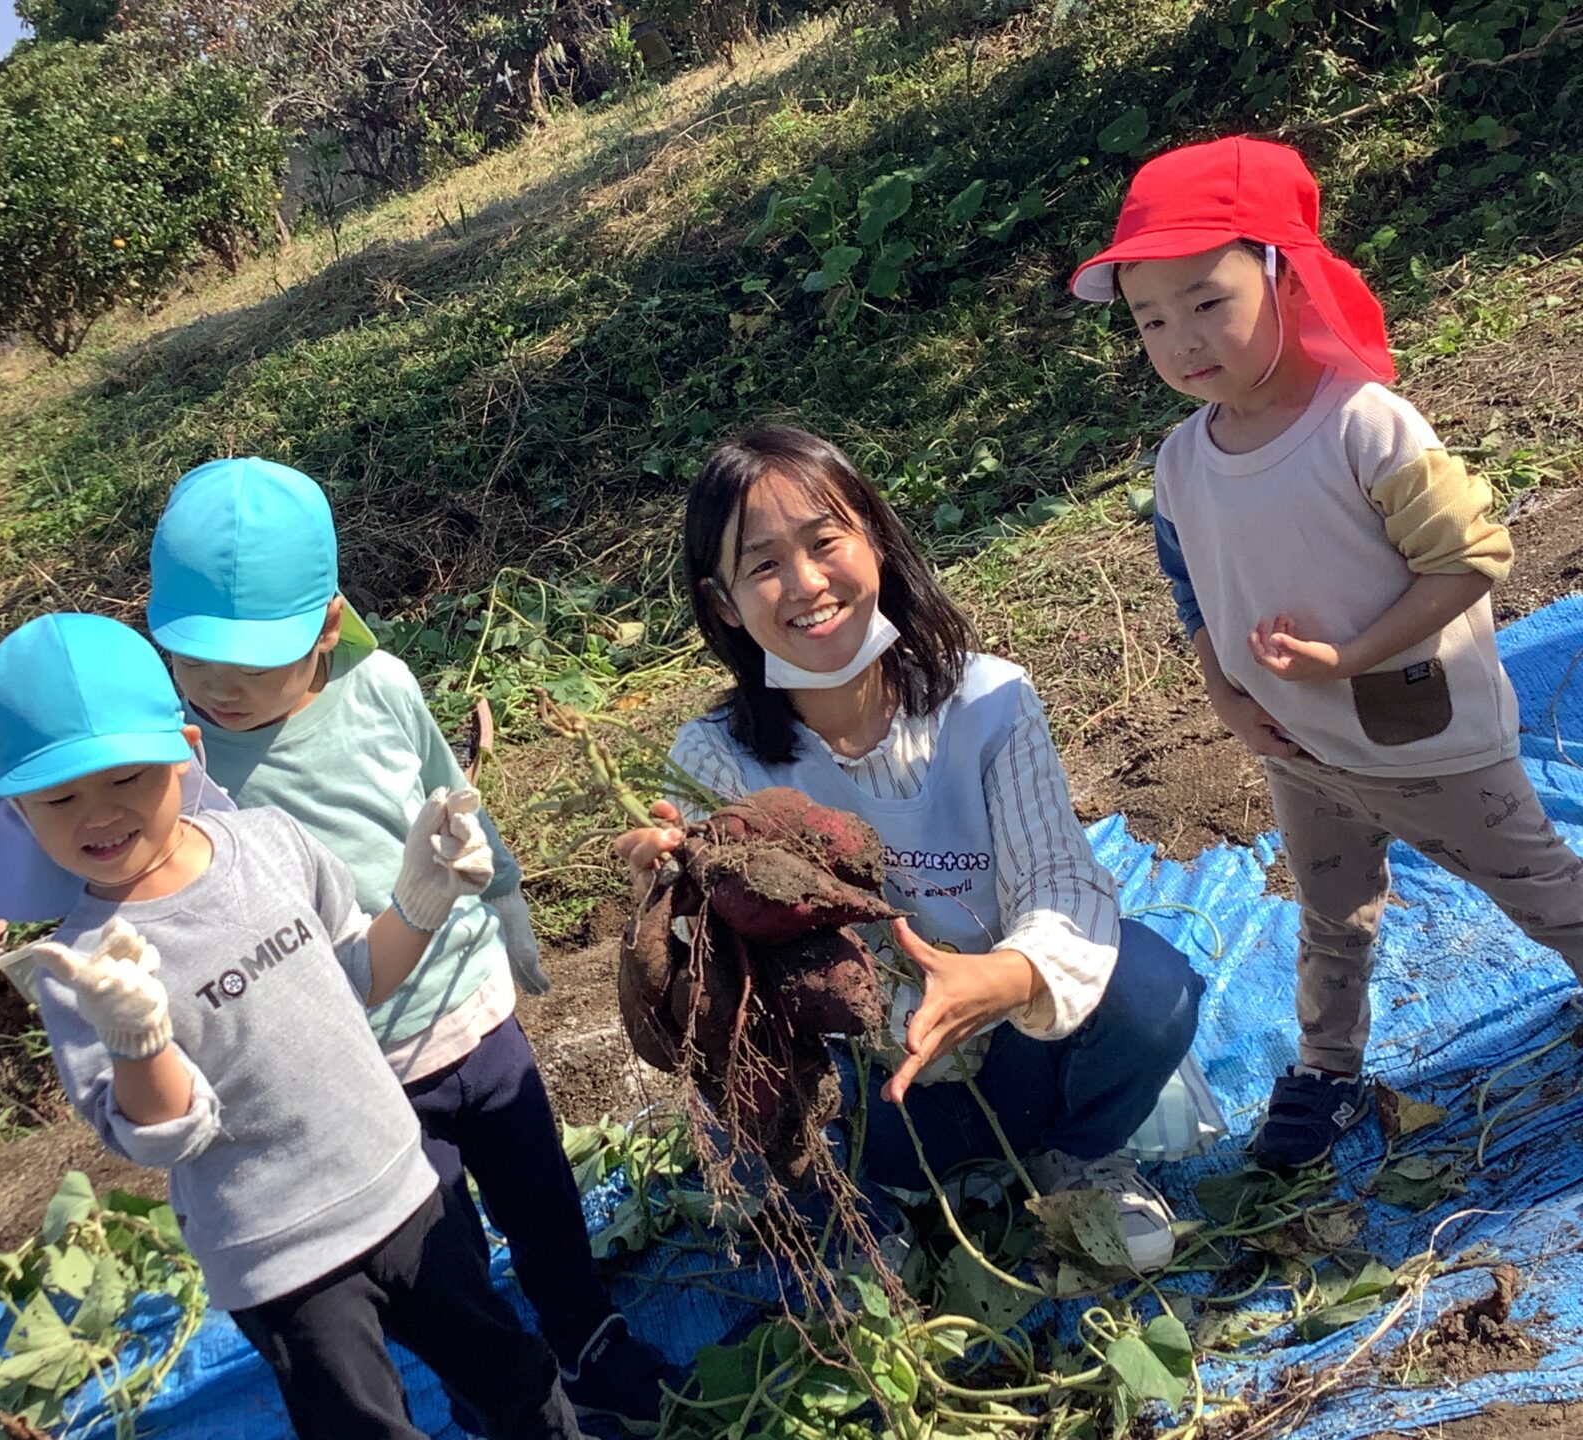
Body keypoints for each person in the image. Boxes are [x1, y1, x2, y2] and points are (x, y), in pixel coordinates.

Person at [1069, 135, 1583, 1170]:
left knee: (1537, 888)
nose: (1181, 339)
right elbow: (1189, 584)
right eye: (1151, 319)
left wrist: (1350, 656)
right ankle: (1328, 1071)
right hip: (1303, 753)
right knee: (1331, 915)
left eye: (1206, 301)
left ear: (1285, 277)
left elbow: (1469, 559)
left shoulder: (1364, 427)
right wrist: (1227, 693)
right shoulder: (1182, 462)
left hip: (1427, 740)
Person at [0, 612, 584, 1440]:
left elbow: (357, 976)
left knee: (512, 1379)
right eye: (59, 798)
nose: (97, 816)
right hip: (278, 1257)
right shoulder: (83, 970)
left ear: (184, 752)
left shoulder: (270, 842)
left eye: (127, 778)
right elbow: (167, 1135)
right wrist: (138, 1038)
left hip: (399, 1183)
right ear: (18, 813)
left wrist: (426, 892)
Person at [142, 457, 674, 1428]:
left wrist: (505, 898)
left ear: (327, 627)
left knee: (542, 1198)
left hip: (472, 1012)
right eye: (192, 660)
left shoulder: (381, 689)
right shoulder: (187, 774)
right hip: (363, 1072)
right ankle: (499, 1397)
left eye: (250, 663)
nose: (217, 687)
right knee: (444, 1257)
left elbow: (449, 794)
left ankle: (588, 1338)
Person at [613, 426, 1210, 1272]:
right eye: (764, 565)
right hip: (871, 1095)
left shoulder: (987, 702)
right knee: (735, 1065)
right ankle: (850, 1208)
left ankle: (1076, 1154)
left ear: (876, 542)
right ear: (724, 603)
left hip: (1019, 1057)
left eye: (825, 542)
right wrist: (675, 906)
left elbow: (1061, 881)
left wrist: (1003, 979)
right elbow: (734, 973)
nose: (807, 583)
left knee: (1151, 987)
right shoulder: (716, 759)